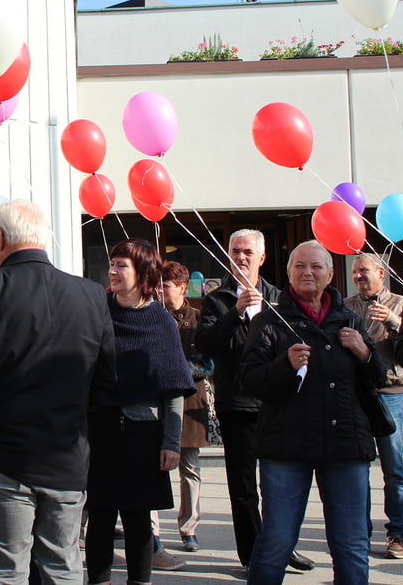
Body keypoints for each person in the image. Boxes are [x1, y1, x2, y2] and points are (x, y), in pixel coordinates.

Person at [0, 199, 116, 584]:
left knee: (7, 567)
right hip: (65, 452)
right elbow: (105, 382)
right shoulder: (89, 294)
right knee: (63, 564)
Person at [242, 240, 386, 583]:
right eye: (300, 266)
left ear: (331, 275)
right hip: (286, 446)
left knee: (352, 543)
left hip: (345, 444)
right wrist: (284, 365)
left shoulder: (349, 318)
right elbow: (250, 381)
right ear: (288, 273)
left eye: (316, 266)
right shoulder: (269, 321)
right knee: (276, 541)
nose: (308, 272)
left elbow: (379, 376)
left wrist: (364, 352)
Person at [194, 229, 314, 573]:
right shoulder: (216, 300)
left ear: (262, 257)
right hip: (237, 404)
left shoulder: (279, 297)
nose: (241, 257)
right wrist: (235, 312)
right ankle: (252, 555)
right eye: (235, 251)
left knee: (281, 485)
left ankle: (281, 547)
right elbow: (206, 344)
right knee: (244, 487)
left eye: (248, 251)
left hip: (277, 402)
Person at [85, 240, 195, 585]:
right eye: (112, 264)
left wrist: (171, 443)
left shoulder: (160, 320)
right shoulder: (97, 312)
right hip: (99, 429)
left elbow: (173, 387)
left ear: (142, 272)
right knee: (100, 516)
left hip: (143, 433)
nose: (113, 271)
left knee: (137, 518)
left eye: (122, 265)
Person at [343, 253, 403, 559]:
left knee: (393, 467)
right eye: (355, 272)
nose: (358, 276)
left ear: (381, 274)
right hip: (357, 393)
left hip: (390, 393)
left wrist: (393, 321)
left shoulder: (402, 304)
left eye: (364, 271)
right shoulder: (347, 306)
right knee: (358, 466)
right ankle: (361, 532)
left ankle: (397, 533)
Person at [159, 261, 212, 555]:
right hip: (157, 401)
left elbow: (208, 363)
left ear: (182, 288)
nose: (160, 291)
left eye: (165, 285)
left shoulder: (200, 320)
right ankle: (151, 531)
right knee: (153, 467)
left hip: (191, 401)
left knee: (190, 468)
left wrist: (176, 372)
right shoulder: (152, 316)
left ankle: (189, 528)